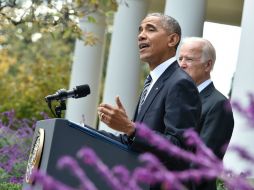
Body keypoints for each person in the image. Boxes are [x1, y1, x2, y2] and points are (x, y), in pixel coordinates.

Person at [98, 13, 201, 189]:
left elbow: (179, 149)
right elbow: (136, 141)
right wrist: (82, 130)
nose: (141, 35)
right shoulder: (153, 82)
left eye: (150, 29)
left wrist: (131, 128)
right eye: (140, 30)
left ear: (172, 39)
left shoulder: (180, 83)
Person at [178, 37, 234, 190]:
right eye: (180, 58)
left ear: (207, 65)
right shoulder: (177, 100)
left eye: (188, 59)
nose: (182, 64)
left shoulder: (219, 104)